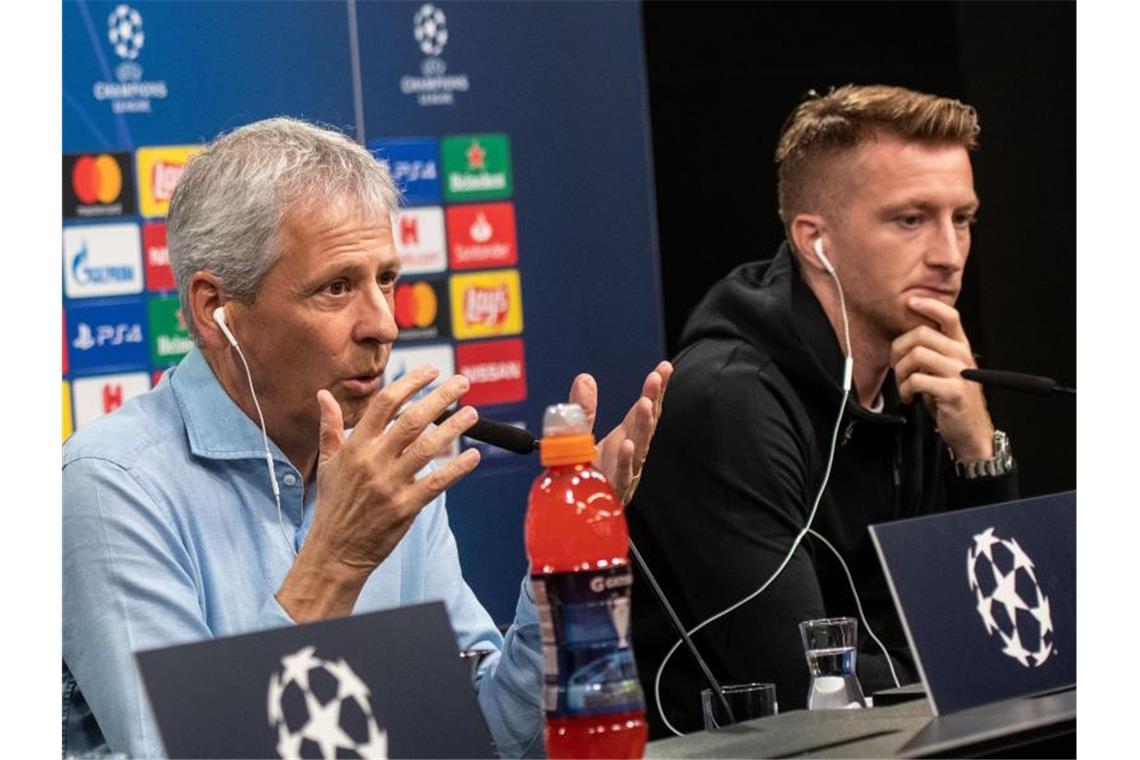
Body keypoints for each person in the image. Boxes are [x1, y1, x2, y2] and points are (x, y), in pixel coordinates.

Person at [62, 117, 672, 758]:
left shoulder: (390, 466)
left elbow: (482, 734)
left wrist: (567, 570)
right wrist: (337, 561)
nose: (384, 324)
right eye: (336, 287)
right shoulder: (109, 487)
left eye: (386, 280)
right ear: (217, 311)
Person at [627, 85, 1019, 736]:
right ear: (816, 242)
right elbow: (811, 683)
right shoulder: (729, 402)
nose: (950, 255)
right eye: (911, 219)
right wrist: (963, 663)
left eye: (964, 219)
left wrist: (979, 452)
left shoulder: (926, 373)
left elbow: (1008, 632)